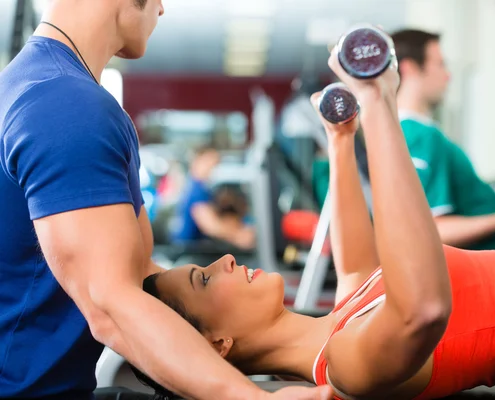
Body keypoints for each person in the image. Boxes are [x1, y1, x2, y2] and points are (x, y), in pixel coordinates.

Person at [141, 37, 495, 400]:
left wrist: (340, 138)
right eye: (203, 280)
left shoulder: (345, 315)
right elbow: (422, 310)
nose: (222, 260)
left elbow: (356, 258)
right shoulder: (348, 368)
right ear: (219, 343)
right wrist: (379, 99)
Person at [0, 1, 331, 399]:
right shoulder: (67, 105)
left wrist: (274, 333)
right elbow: (110, 305)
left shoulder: (39, 87)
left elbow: (141, 275)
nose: (160, 8)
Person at [390, 29, 495, 251]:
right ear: (409, 68)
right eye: (440, 64)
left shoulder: (406, 132)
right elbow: (432, 232)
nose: (447, 75)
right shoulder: (419, 135)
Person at [171, 147, 255, 250]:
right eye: (209, 162)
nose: (213, 167)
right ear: (197, 161)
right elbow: (210, 226)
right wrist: (238, 236)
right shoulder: (195, 190)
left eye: (216, 163)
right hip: (190, 250)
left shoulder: (204, 188)